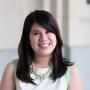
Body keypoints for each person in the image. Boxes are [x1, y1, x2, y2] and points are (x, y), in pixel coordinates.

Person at [0, 10, 82, 90]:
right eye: (36, 33)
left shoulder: (71, 71)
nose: (43, 38)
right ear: (28, 39)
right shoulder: (12, 69)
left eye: (48, 31)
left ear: (56, 35)